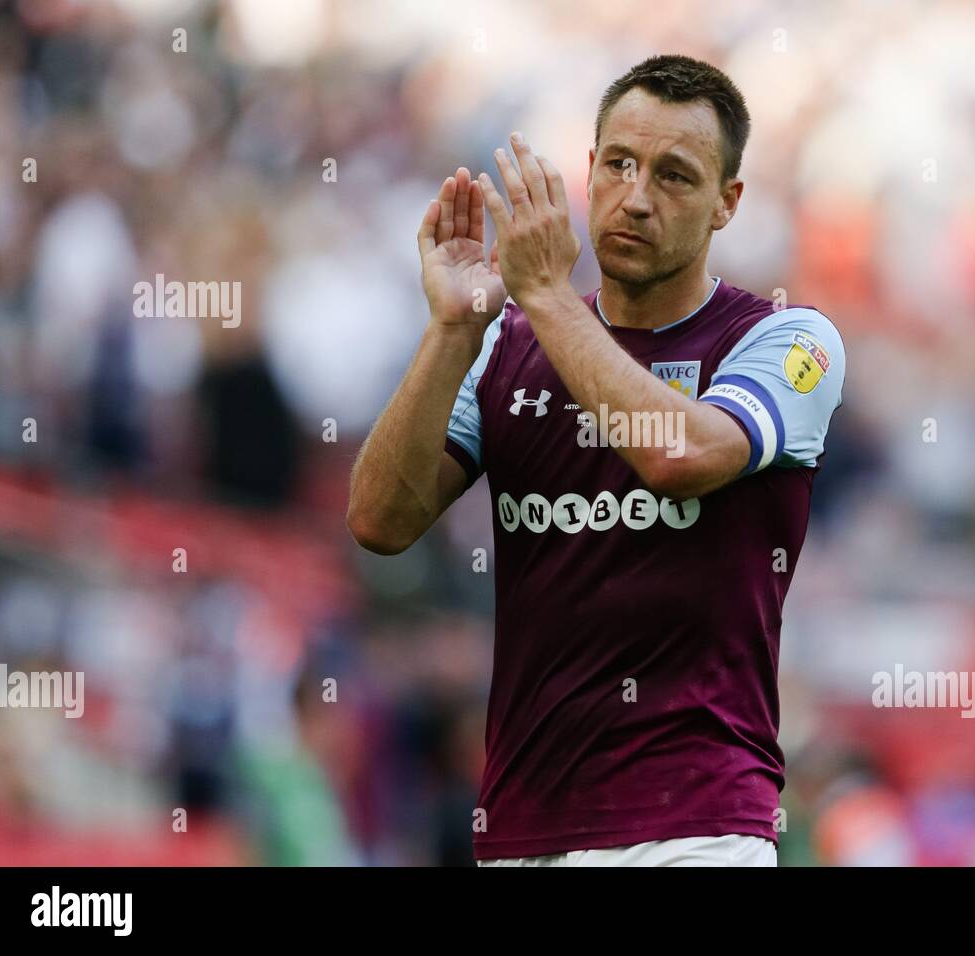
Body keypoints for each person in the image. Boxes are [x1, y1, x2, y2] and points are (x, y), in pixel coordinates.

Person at [347, 54, 845, 866]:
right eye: (619, 164)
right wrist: (450, 333)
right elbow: (378, 521)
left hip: (695, 827)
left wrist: (542, 294)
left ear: (728, 203)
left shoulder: (786, 340)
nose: (637, 197)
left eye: (676, 176)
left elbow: (679, 456)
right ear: (589, 170)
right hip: (521, 824)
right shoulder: (505, 346)